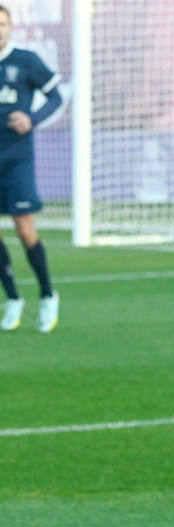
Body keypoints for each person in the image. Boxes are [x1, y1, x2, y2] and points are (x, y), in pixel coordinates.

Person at [0, 4, 60, 334]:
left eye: (3, 24)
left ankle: (48, 294)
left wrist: (32, 118)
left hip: (17, 159)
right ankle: (12, 298)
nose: (0, 30)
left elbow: (56, 96)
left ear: (10, 27)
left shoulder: (25, 61)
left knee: (25, 229)